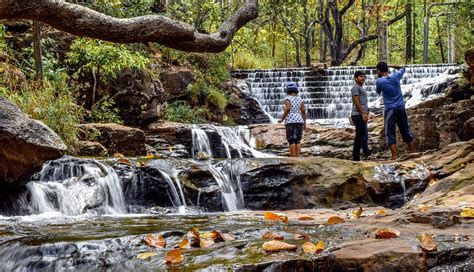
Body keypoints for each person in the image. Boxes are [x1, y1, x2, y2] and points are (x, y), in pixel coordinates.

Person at [375, 62, 415, 160]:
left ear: (379, 71)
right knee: (405, 129)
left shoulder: (379, 81)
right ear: (387, 69)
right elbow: (402, 68)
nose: (377, 72)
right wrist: (391, 65)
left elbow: (378, 92)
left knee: (390, 132)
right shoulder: (396, 76)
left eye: (377, 71)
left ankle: (394, 156)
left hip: (390, 109)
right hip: (401, 107)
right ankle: (413, 153)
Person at [278, 82, 307, 157]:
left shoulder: (287, 99)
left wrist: (282, 119)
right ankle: (298, 157)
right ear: (296, 90)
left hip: (290, 121)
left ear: (288, 91)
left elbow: (287, 109)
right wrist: (304, 122)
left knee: (291, 140)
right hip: (299, 120)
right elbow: (303, 111)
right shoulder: (301, 99)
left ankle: (293, 158)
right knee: (298, 140)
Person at [350, 71, 371, 161]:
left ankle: (363, 154)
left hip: (361, 114)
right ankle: (358, 156)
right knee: (360, 135)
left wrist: (367, 112)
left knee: (362, 135)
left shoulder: (361, 88)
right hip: (358, 115)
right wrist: (362, 113)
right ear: (356, 78)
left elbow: (361, 102)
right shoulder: (355, 87)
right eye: (361, 76)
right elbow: (356, 101)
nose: (363, 78)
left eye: (364, 76)